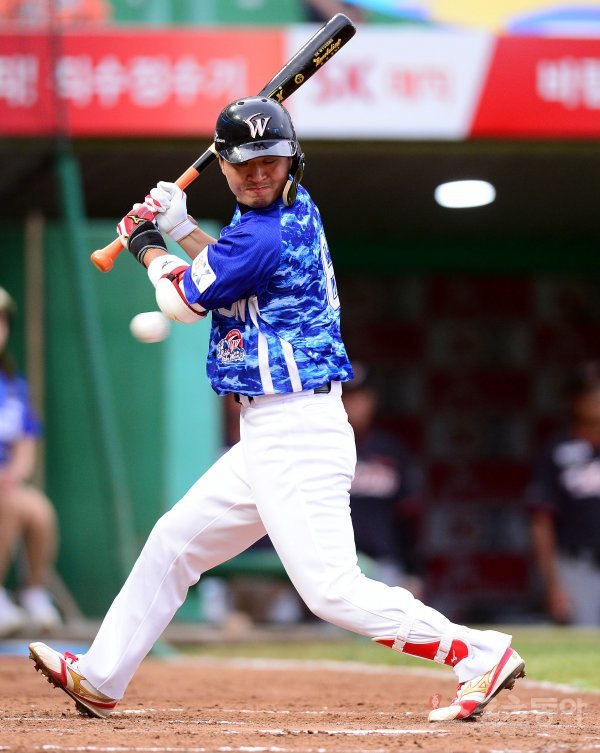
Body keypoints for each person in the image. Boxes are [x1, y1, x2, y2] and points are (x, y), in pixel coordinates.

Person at [29, 96, 524, 722]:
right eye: (245, 163)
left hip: (297, 430)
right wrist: (181, 229)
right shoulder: (275, 217)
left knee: (331, 592)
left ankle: (479, 653)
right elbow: (230, 269)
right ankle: (101, 676)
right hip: (269, 432)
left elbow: (184, 302)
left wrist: (146, 241)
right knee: (174, 544)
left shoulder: (267, 230)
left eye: (271, 160)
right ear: (225, 165)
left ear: (293, 159)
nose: (259, 173)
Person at [0, 287, 62, 636]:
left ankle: (32, 592)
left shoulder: (11, 381)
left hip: (6, 482)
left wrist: (15, 472)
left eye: (2, 321)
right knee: (9, 505)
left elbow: (26, 441)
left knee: (39, 510)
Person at [527, 360, 600, 626]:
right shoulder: (557, 450)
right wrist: (553, 584)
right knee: (586, 640)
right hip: (578, 566)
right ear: (576, 400)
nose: (596, 400)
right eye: (590, 393)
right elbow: (541, 521)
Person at [343, 365, 424, 596]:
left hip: (384, 563)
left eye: (362, 398)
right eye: (348, 398)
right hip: (332, 563)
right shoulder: (318, 449)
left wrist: (413, 572)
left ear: (372, 401)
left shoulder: (391, 450)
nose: (355, 405)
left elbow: (407, 517)